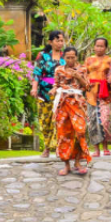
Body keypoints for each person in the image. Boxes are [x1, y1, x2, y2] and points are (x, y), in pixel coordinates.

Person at [53, 46, 91, 175]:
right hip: (63, 104)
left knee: (80, 131)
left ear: (76, 57)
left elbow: (87, 87)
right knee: (64, 133)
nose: (70, 60)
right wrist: (53, 90)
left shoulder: (82, 69)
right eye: (68, 57)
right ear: (64, 57)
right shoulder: (58, 70)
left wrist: (78, 77)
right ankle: (67, 164)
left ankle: (78, 162)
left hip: (77, 104)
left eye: (73, 57)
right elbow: (56, 85)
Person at [31, 30, 66, 158]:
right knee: (45, 121)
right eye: (57, 40)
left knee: (58, 120)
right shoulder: (43, 55)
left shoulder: (65, 56)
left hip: (61, 93)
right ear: (50, 42)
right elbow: (37, 73)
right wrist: (34, 88)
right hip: (44, 93)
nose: (60, 43)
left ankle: (58, 147)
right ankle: (46, 147)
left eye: (62, 40)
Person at [84, 37, 111, 157]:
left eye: (101, 46)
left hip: (105, 93)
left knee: (104, 121)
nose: (99, 48)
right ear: (94, 46)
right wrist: (86, 84)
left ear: (106, 48)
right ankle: (97, 149)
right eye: (97, 46)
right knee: (92, 122)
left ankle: (106, 146)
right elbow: (84, 74)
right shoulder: (89, 60)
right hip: (91, 92)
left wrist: (110, 81)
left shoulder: (110, 60)